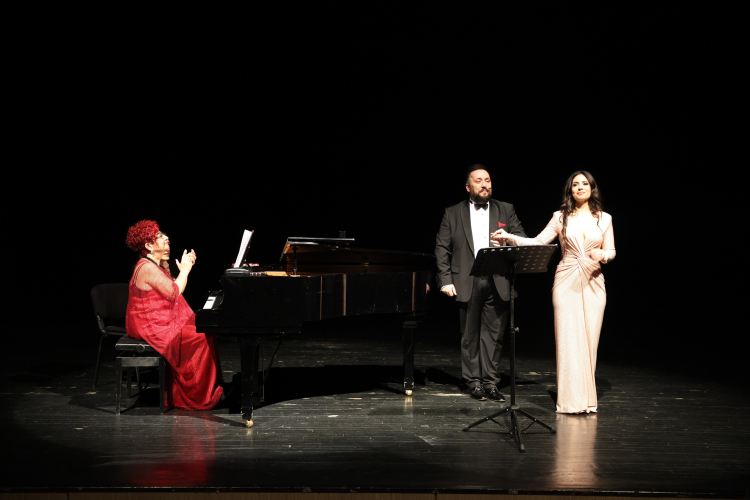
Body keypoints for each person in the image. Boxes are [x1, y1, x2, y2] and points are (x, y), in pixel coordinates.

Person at [493, 171, 616, 414]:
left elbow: (611, 251)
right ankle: (570, 401)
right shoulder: (560, 217)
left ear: (592, 188)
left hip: (594, 280)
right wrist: (509, 238)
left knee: (590, 341)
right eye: (575, 184)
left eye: (585, 184)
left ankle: (586, 400)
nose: (580, 187)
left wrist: (603, 255)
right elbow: (539, 242)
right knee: (568, 340)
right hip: (566, 279)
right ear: (570, 190)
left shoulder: (605, 218)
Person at [435, 165, 527, 402]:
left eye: (487, 180)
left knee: (494, 335)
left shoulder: (505, 209)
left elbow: (522, 240)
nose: (485, 184)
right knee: (469, 335)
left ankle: (491, 382)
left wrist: (508, 240)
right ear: (468, 187)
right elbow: (442, 248)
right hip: (467, 279)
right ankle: (474, 382)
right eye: (479, 181)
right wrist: (445, 279)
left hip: (498, 278)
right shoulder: (452, 213)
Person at [124, 220, 224, 410]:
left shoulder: (155, 265)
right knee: (200, 335)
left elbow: (171, 291)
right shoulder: (146, 267)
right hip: (149, 324)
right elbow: (174, 293)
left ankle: (209, 388)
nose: (166, 238)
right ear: (148, 245)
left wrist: (183, 269)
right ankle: (196, 394)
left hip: (156, 319)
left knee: (205, 329)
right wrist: (185, 271)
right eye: (160, 236)